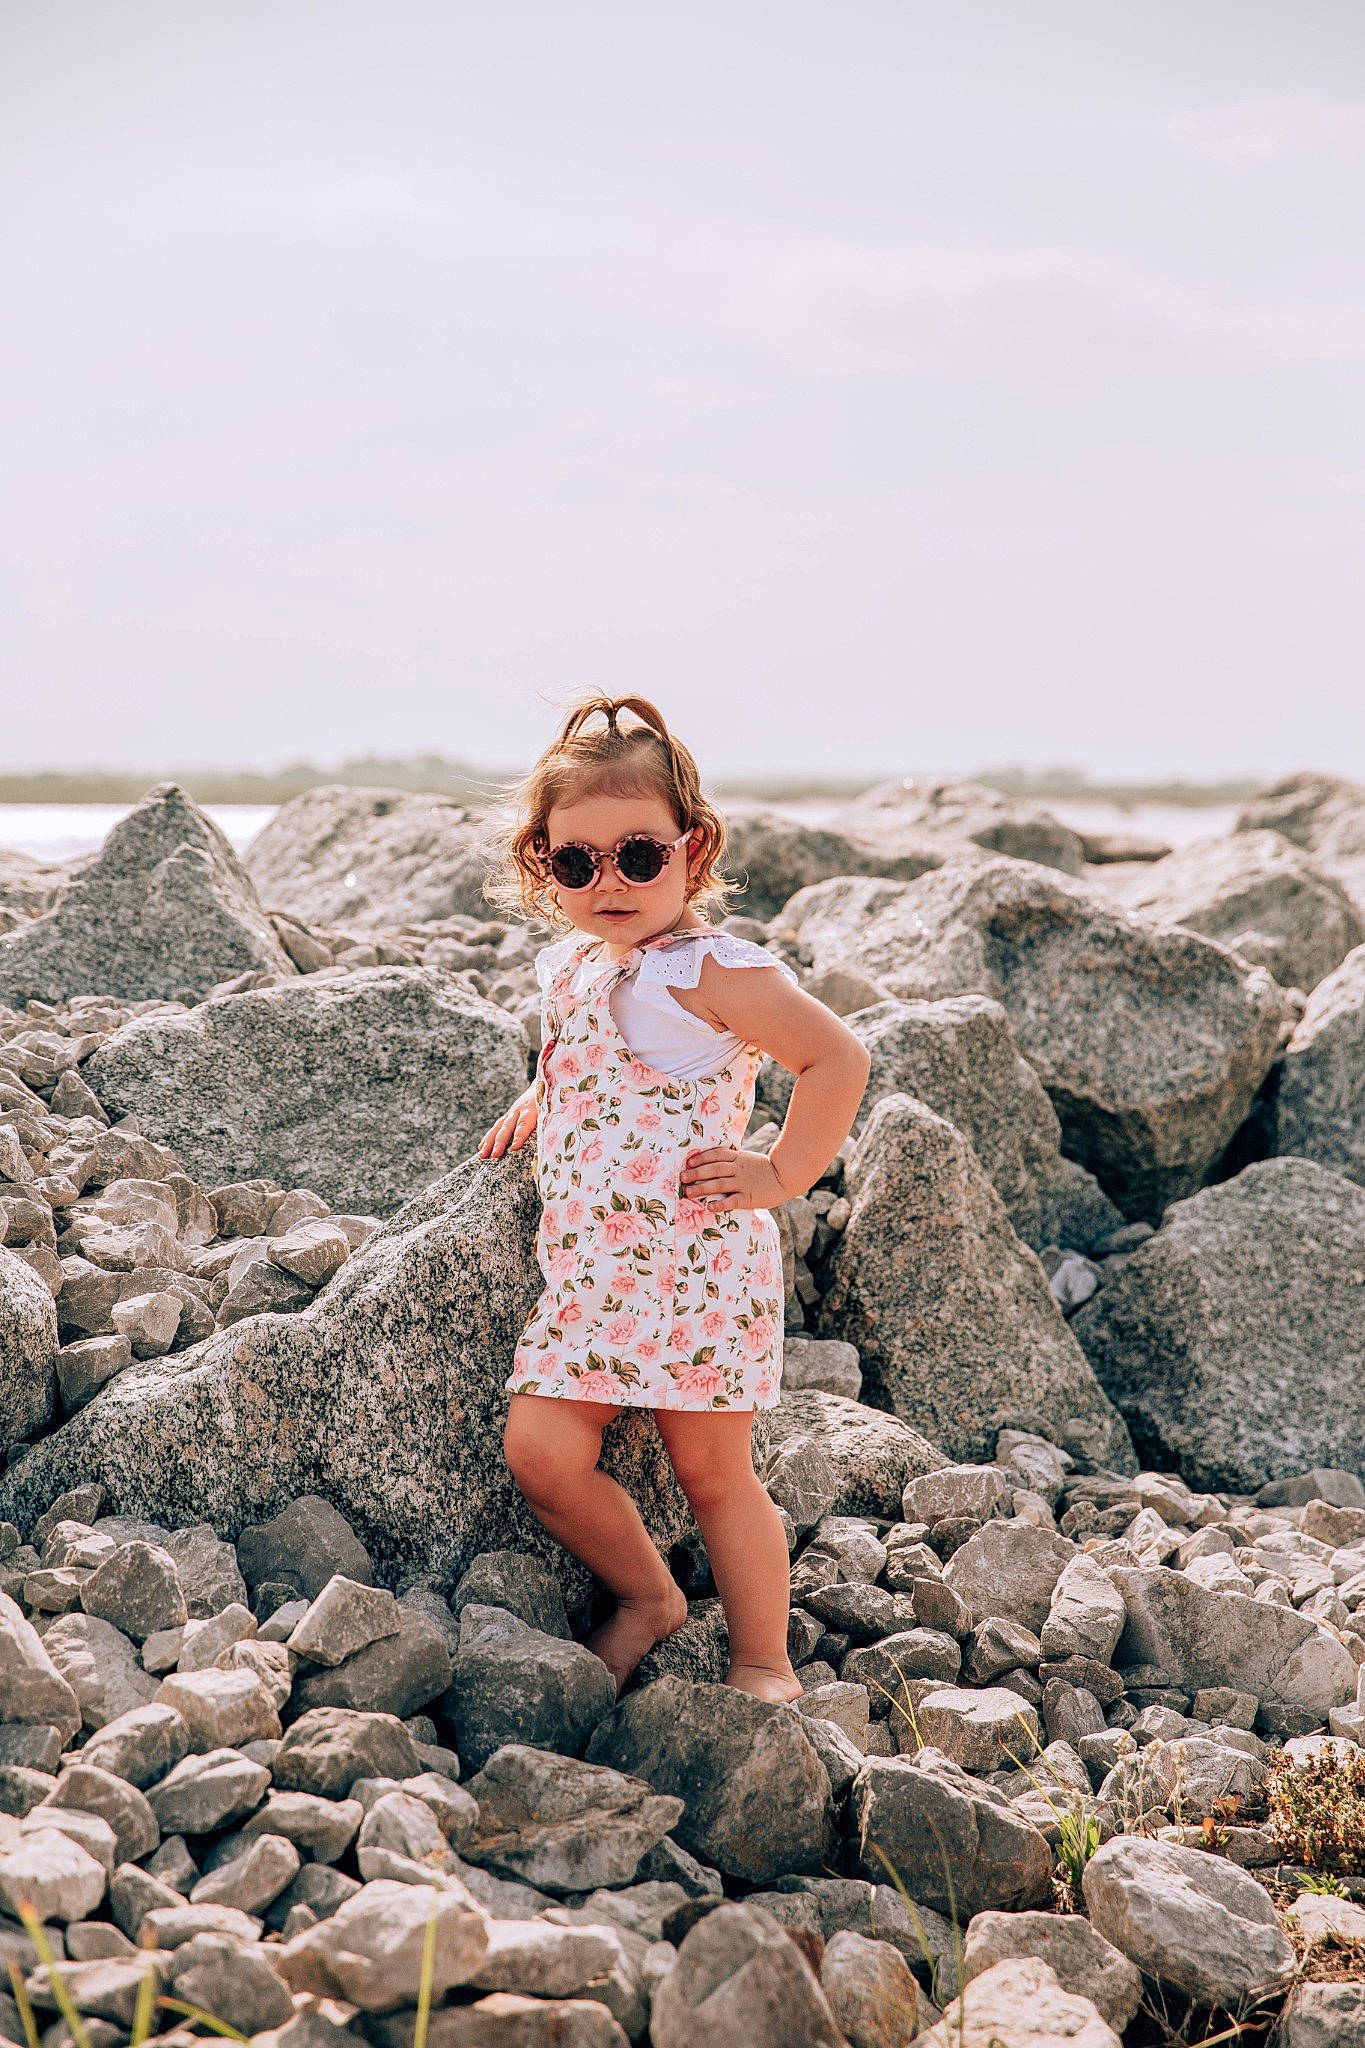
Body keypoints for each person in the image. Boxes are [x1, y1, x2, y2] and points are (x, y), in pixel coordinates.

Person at [479, 693, 870, 1700]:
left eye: (639, 854)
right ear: (544, 864)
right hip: (591, 1274)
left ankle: (764, 1660)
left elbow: (836, 1056)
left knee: (713, 1476)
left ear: (693, 850)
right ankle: (649, 1596)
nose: (609, 881)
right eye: (578, 862)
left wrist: (783, 1172)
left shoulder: (715, 972)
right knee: (541, 1450)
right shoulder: (573, 965)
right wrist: (544, 1090)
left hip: (695, 1267)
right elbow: (584, 1044)